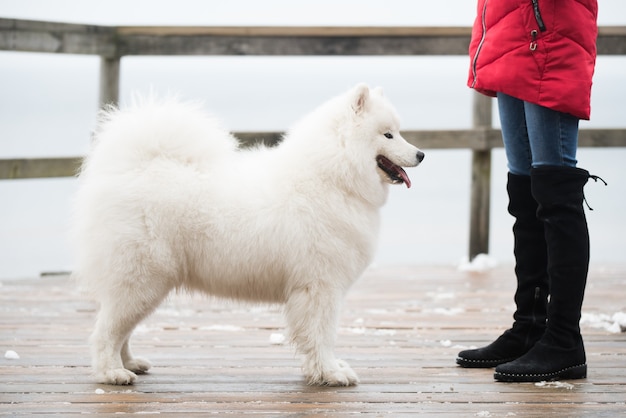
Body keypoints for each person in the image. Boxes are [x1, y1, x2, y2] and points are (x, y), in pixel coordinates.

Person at [456, 0, 604, 382]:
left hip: (548, 39)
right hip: (511, 37)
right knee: (524, 191)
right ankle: (531, 327)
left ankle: (564, 340)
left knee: (556, 190)